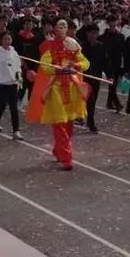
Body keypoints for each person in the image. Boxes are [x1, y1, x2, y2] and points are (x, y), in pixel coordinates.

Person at [26, 19, 89, 170]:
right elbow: (45, 65)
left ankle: (58, 149)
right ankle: (67, 157)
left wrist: (76, 65)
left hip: (72, 88)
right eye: (59, 26)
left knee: (69, 123)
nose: (63, 28)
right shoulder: (50, 45)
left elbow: (85, 62)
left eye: (65, 26)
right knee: (60, 123)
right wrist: (58, 69)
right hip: (56, 88)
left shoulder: (73, 44)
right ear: (53, 28)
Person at [0, 31, 24, 140]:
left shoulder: (14, 53)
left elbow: (18, 67)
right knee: (0, 108)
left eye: (9, 39)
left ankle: (16, 131)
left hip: (12, 84)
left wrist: (19, 75)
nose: (7, 41)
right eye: (5, 39)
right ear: (1, 40)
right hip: (1, 85)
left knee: (14, 109)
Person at [100, 15, 125, 112]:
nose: (113, 24)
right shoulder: (103, 37)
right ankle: (117, 103)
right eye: (111, 21)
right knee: (112, 84)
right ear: (108, 23)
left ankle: (109, 102)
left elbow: (123, 51)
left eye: (114, 21)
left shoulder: (120, 36)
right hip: (107, 63)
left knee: (113, 84)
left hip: (117, 63)